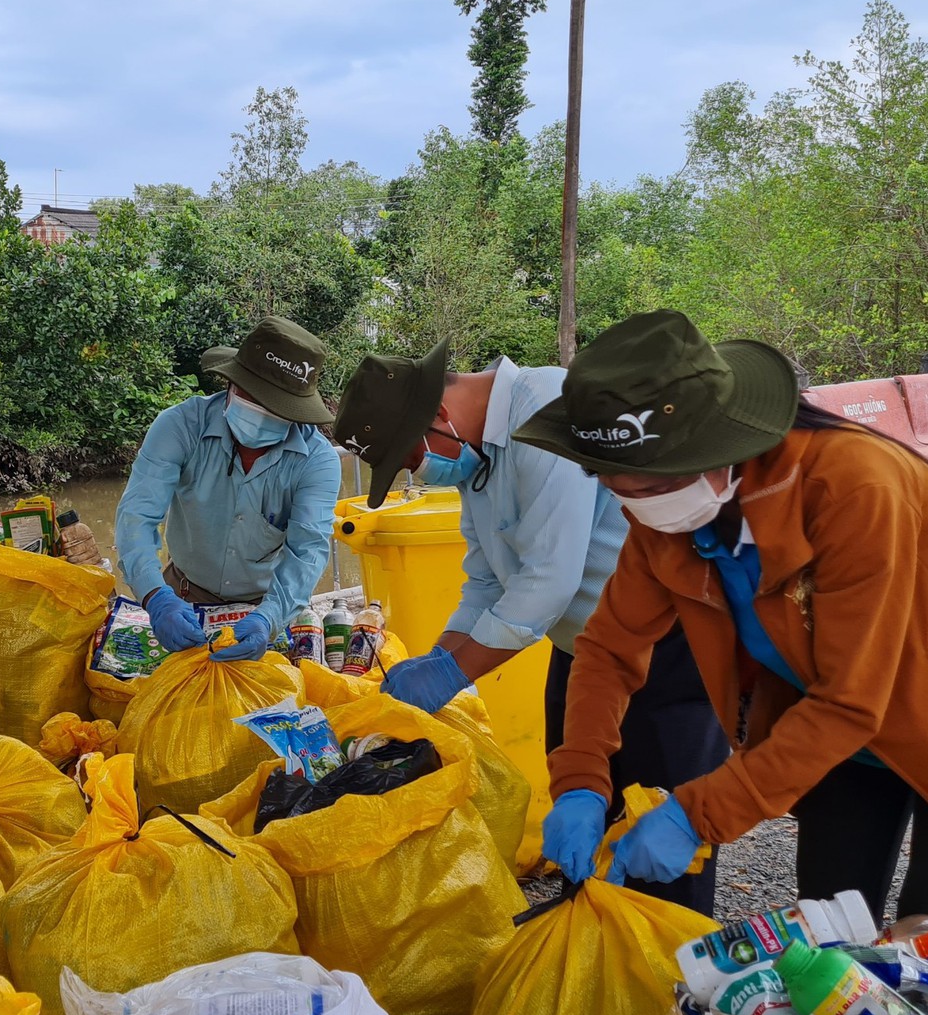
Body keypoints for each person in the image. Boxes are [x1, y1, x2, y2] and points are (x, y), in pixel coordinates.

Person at [514, 309, 928, 946]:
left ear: (721, 444)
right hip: (835, 729)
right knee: (830, 933)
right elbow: (606, 648)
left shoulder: (854, 485)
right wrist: (580, 780)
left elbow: (852, 699)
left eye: (656, 484)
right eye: (619, 489)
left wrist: (697, 814)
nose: (643, 508)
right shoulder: (665, 519)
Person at [332, 343, 730, 914]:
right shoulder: (480, 456)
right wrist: (439, 657)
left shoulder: (551, 409)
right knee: (581, 814)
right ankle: (583, 953)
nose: (421, 472)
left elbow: (549, 579)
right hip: (584, 651)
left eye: (413, 458)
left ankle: (672, 975)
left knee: (660, 832)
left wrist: (452, 673)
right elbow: (487, 581)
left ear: (439, 418)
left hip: (668, 652)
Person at [115, 317, 342, 662]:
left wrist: (268, 618)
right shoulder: (180, 426)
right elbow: (137, 516)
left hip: (267, 608)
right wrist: (154, 597)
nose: (263, 411)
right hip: (182, 595)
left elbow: (306, 552)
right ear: (234, 384)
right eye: (256, 398)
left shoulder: (318, 461)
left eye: (276, 405)